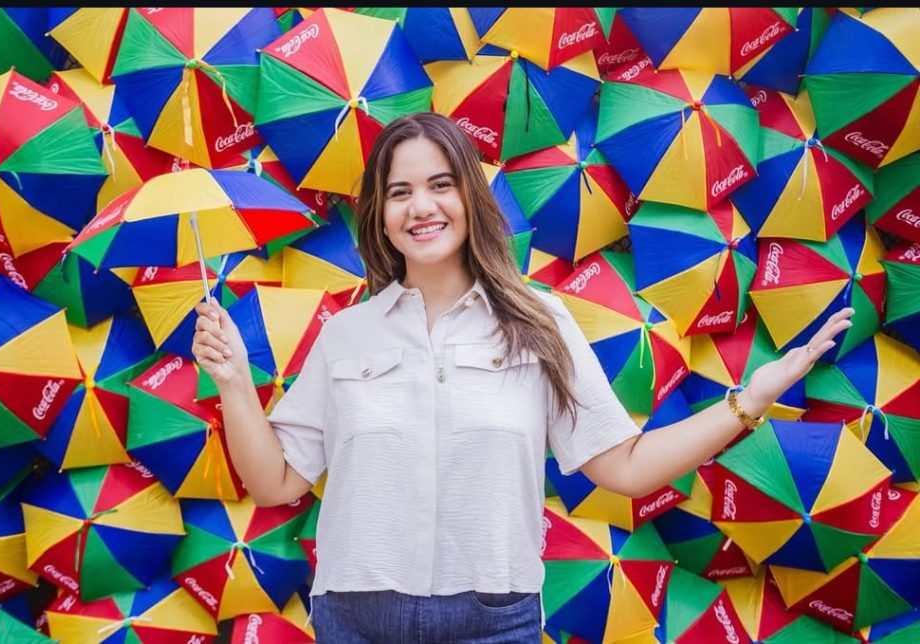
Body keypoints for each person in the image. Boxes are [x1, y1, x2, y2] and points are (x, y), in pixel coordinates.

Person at [191, 111, 853, 643]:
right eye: (400, 192)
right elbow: (275, 482)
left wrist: (749, 400)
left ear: (470, 198)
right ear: (382, 214)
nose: (421, 207)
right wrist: (233, 382)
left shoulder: (540, 321)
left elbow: (623, 465)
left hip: (495, 619)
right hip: (358, 618)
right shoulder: (348, 334)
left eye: (440, 184)